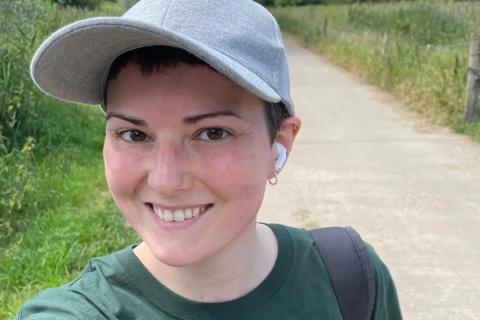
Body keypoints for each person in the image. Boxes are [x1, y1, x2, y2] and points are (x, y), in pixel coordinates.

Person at [17, 0, 402, 319]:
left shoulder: (350, 279)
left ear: (279, 143)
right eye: (134, 134)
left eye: (212, 133)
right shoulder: (78, 312)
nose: (167, 180)